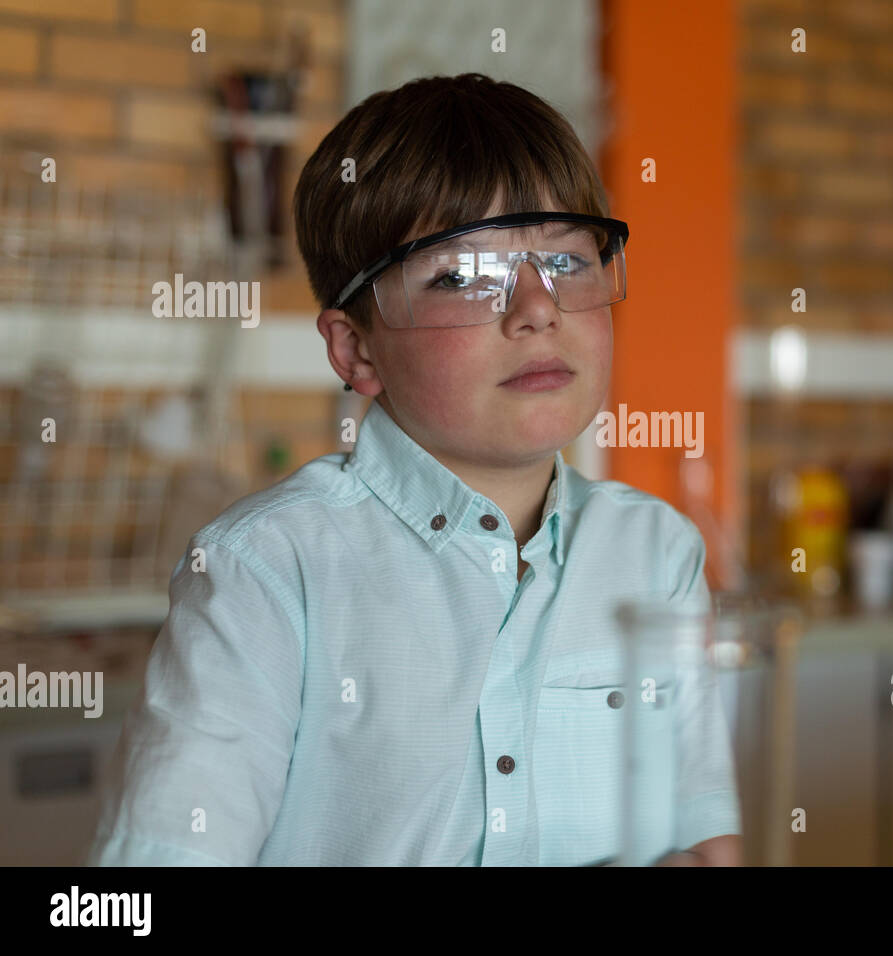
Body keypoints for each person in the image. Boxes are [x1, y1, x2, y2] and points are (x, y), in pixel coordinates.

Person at [85, 73, 741, 866]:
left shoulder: (656, 554)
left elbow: (701, 846)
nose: (537, 307)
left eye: (567, 264)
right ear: (356, 349)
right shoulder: (265, 573)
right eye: (461, 276)